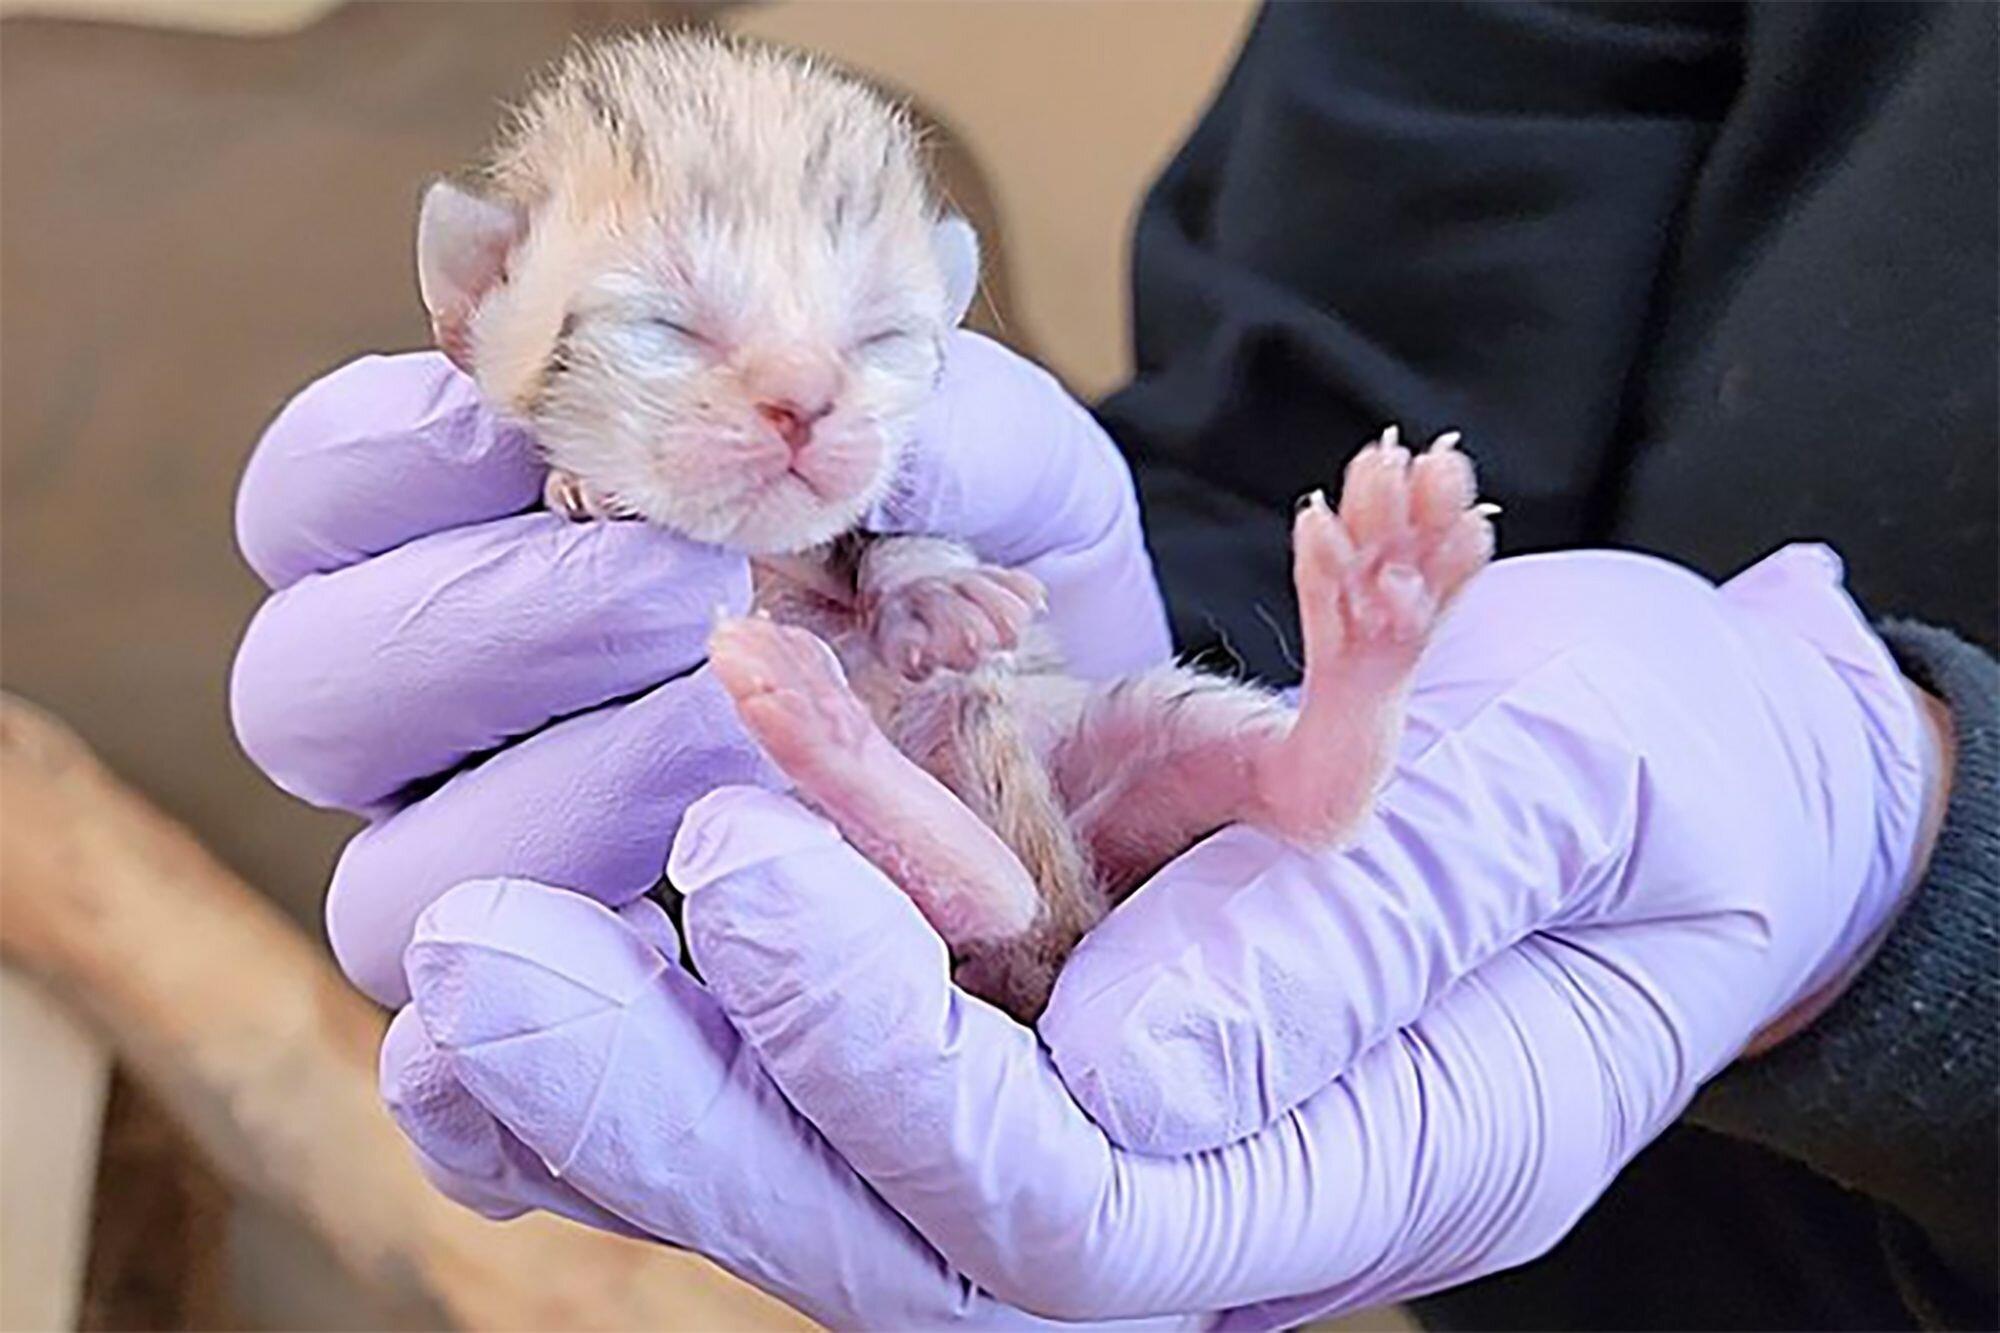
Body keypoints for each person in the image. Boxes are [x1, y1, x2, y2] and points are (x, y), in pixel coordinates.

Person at [230, 2, 1995, 1328]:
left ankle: (1039, 760)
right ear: (473, 299)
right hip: (1249, 1002)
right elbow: (1294, 418)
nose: (801, 392)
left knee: (941, 796)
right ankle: (1315, 732)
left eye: (877, 339)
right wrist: (1066, 561)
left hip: (1765, 1226)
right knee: (1152, 738)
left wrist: (1930, 882)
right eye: (668, 322)